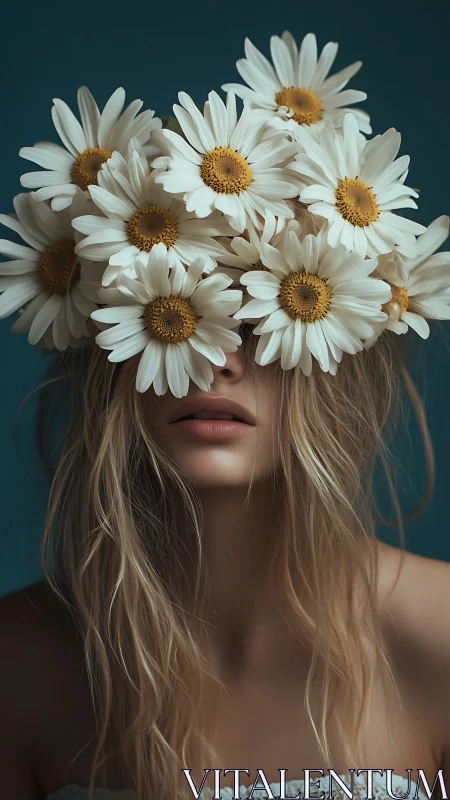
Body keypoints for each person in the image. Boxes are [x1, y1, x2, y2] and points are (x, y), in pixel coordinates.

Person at [1, 319, 450, 800]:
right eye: (177, 315)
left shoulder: (438, 634)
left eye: (264, 321)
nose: (217, 360)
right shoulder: (17, 660)